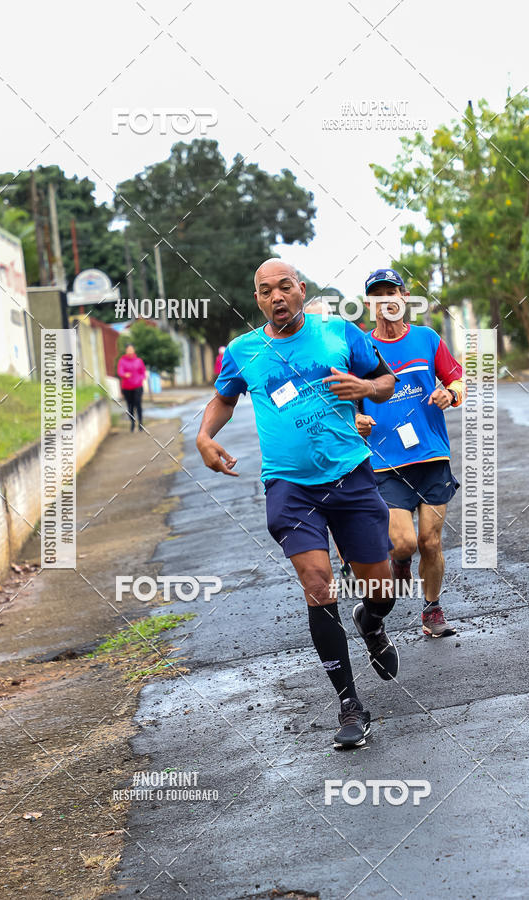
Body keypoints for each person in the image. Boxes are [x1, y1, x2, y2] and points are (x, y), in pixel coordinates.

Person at [197, 258, 399, 750]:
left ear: (301, 289)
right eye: (265, 291)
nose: (276, 297)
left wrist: (366, 389)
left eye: (284, 287)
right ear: (258, 298)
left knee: (383, 587)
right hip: (289, 486)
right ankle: (350, 705)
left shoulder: (339, 332)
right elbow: (224, 398)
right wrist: (203, 436)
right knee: (316, 582)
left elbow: (386, 381)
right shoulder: (245, 350)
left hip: (350, 475)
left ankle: (371, 621)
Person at [357, 268, 464, 637]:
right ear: (370, 304)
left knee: (430, 541)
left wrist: (450, 394)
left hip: (432, 456)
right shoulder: (360, 349)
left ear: (404, 297)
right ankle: (400, 560)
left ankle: (432, 610)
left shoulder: (427, 338)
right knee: (403, 542)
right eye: (377, 295)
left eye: (392, 292)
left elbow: (456, 379)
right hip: (386, 463)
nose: (386, 300)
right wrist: (356, 418)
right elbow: (346, 401)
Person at [117, 343, 146, 432]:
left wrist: (139, 379)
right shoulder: (122, 361)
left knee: (138, 404)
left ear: (134, 350)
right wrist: (124, 374)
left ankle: (141, 424)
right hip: (127, 387)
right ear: (126, 351)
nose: (130, 351)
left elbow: (143, 373)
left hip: (137, 387)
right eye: (128, 349)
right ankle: (132, 423)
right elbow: (120, 371)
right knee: (130, 406)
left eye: (131, 349)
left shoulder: (139, 361)